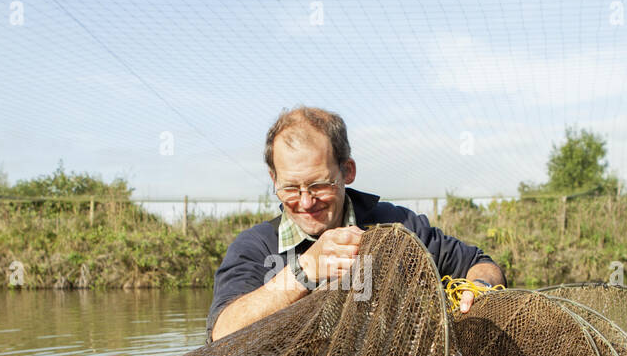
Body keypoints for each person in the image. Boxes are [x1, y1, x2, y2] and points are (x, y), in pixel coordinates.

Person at [207, 106, 505, 342]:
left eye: (319, 185)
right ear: (273, 179)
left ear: (347, 171)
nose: (306, 201)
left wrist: (478, 287)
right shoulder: (255, 246)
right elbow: (222, 331)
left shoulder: (397, 226)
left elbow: (482, 264)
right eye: (290, 188)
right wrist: (305, 270)